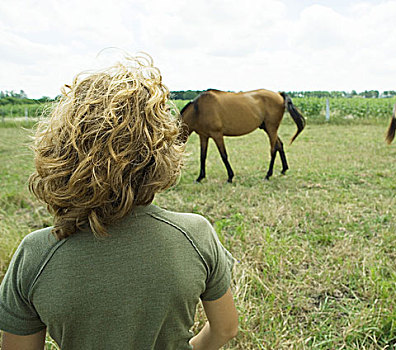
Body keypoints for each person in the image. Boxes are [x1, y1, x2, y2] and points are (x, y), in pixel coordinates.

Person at [0, 54, 238, 350]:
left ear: (60, 149)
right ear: (160, 149)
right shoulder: (196, 235)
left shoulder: (35, 255)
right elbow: (226, 328)